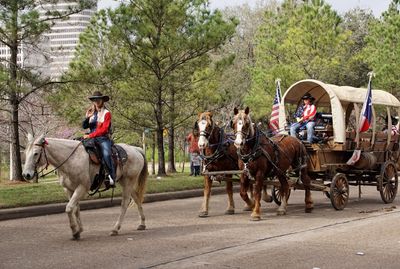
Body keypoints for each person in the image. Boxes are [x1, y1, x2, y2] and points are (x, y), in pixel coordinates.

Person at [82, 91, 115, 187]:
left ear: (102, 100)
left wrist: (90, 136)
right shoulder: (92, 113)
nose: (96, 101)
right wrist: (87, 118)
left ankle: (111, 176)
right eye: (94, 100)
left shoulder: (106, 113)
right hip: (91, 138)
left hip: (102, 138)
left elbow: (104, 129)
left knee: (107, 154)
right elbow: (84, 126)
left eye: (98, 99)